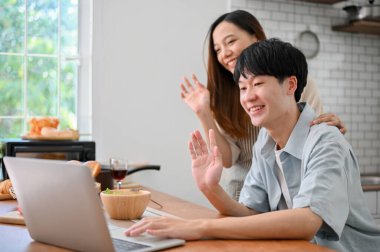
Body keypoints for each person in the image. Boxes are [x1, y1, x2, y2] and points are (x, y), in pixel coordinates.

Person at [127, 39, 380, 251]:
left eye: (258, 84)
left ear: (290, 85)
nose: (248, 97)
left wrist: (199, 226)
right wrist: (210, 188)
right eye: (243, 87)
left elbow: (306, 221)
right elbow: (250, 213)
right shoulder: (265, 141)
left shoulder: (325, 139)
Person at [180, 10, 347, 200]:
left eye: (230, 42)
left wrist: (328, 127)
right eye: (217, 49)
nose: (224, 53)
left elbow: (313, 133)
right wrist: (204, 112)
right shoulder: (224, 97)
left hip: (289, 192)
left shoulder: (292, 80)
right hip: (244, 194)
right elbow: (228, 159)